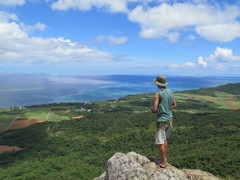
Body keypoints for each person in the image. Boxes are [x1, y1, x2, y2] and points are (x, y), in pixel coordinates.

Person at [152, 75, 176, 168]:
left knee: (160, 141)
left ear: (157, 84)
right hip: (169, 118)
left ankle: (162, 162)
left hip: (162, 120)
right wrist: (166, 108)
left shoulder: (158, 94)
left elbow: (154, 109)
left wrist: (154, 110)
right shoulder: (170, 91)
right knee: (165, 139)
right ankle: (164, 159)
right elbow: (174, 105)